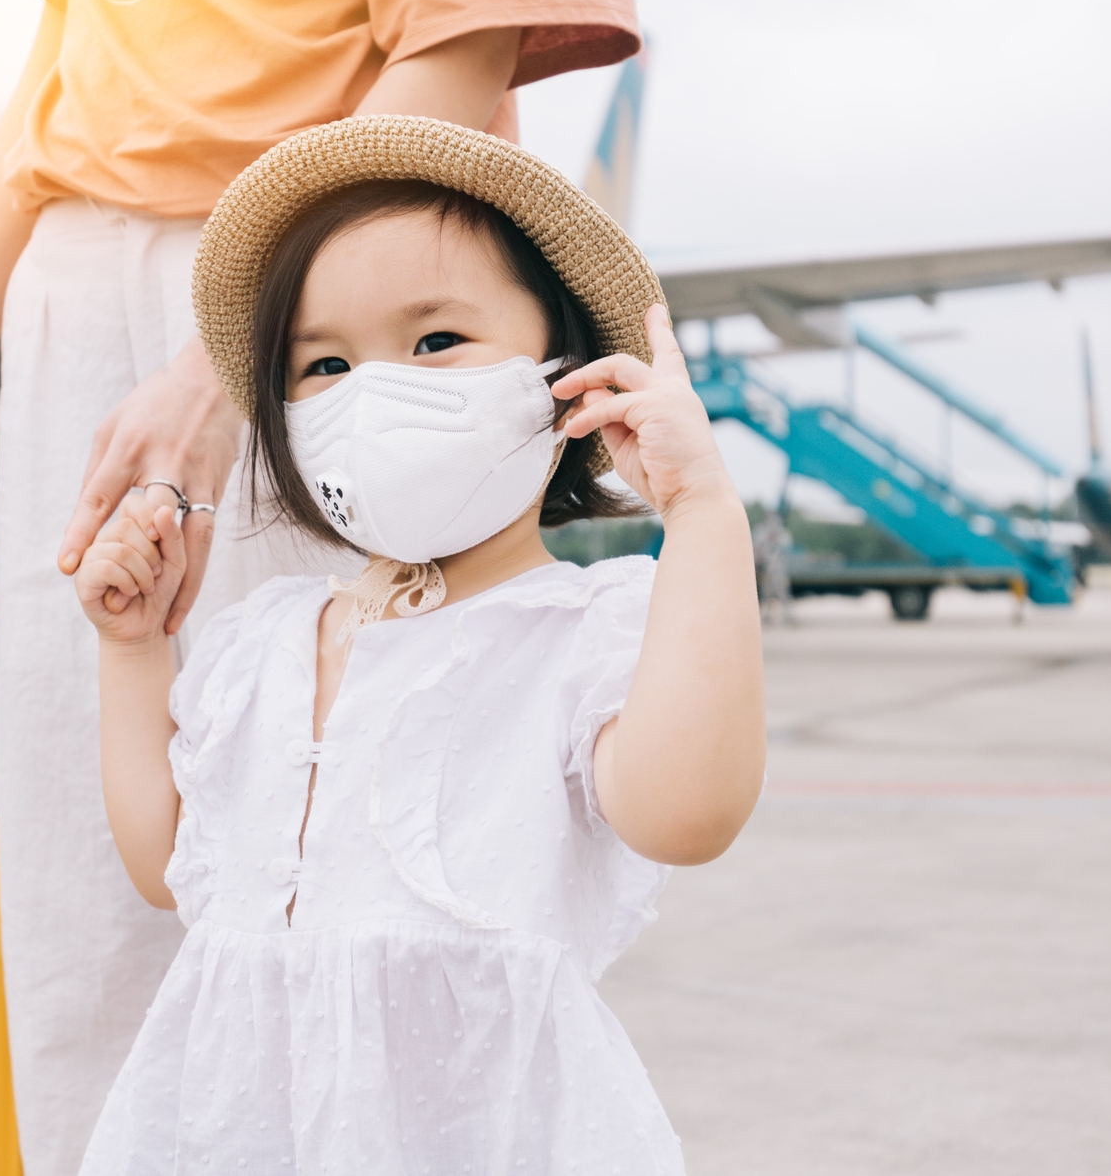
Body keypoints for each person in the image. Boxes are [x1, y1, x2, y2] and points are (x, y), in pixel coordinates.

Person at [0, 0, 641, 1169]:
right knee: (82, 858)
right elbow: (52, 80)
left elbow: (456, 47)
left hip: (319, 266)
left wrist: (232, 355)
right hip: (73, 284)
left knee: (322, 856)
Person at [72, 116, 766, 1172]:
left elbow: (686, 811)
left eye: (435, 340)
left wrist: (703, 511)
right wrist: (131, 654)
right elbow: (169, 866)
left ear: (567, 374)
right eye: (324, 363)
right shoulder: (264, 637)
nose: (373, 392)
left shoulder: (575, 632)